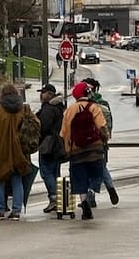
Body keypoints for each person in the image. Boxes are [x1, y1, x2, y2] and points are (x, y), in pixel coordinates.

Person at [0, 84, 36, 221]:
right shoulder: (24, 110)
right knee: (17, 180)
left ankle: (0, 209)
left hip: (1, 152)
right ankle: (16, 210)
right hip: (20, 152)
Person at [60, 81, 109, 220]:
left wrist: (68, 149)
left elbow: (65, 133)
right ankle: (90, 191)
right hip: (95, 148)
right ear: (87, 93)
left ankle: (83, 202)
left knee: (79, 178)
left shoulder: (69, 111)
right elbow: (102, 126)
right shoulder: (94, 107)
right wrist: (104, 141)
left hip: (77, 150)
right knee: (95, 175)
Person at [82, 78, 119, 207]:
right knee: (101, 167)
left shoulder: (85, 106)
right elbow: (109, 124)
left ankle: (90, 196)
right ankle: (110, 187)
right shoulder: (104, 104)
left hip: (88, 143)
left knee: (87, 169)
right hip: (102, 143)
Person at [35, 83, 64, 213]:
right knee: (55, 173)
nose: (41, 95)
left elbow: (43, 127)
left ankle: (54, 198)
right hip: (57, 144)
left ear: (50, 94)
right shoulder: (58, 107)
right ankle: (60, 200)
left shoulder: (48, 109)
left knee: (46, 172)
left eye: (44, 92)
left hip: (48, 145)